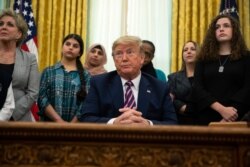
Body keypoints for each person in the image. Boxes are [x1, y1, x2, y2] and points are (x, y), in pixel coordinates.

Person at [77, 35, 177, 125]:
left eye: (130, 52)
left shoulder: (160, 87)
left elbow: (172, 123)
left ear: (142, 58)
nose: (124, 58)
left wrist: (148, 124)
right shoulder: (99, 83)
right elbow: (86, 118)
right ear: (114, 59)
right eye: (119, 54)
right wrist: (113, 123)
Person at [192, 14, 250, 125]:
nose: (221, 29)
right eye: (217, 27)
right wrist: (221, 109)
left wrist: (230, 114)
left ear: (235, 30)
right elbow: (197, 88)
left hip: (237, 116)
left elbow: (247, 88)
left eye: (226, 26)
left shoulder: (246, 57)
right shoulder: (203, 58)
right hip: (206, 117)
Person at [38, 34, 91, 123]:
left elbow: (86, 103)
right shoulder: (48, 71)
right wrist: (59, 121)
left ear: (79, 53)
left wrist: (71, 125)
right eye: (68, 44)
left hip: (75, 129)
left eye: (75, 46)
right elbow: (42, 99)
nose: (71, 48)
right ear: (62, 48)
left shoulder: (86, 75)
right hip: (49, 127)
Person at [0, 9, 39, 121]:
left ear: (19, 34)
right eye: (1, 24)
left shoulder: (29, 59)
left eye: (10, 24)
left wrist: (9, 115)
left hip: (18, 121)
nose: (4, 27)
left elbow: (33, 92)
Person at [168, 41, 199, 125]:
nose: (189, 52)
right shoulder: (173, 77)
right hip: (180, 121)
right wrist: (181, 106)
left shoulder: (206, 75)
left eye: (193, 49)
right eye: (185, 50)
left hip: (202, 120)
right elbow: (169, 99)